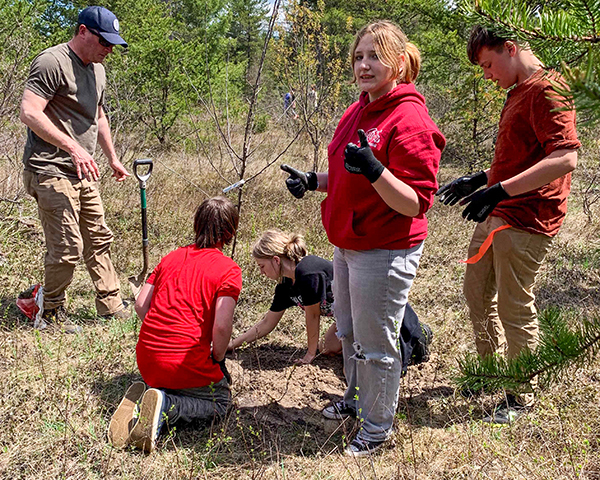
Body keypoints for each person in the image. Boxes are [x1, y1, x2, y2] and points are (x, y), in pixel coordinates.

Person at [281, 21, 445, 456]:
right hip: (348, 245)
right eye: (358, 57)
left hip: (384, 249)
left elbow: (414, 201)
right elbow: (349, 172)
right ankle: (357, 402)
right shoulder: (358, 109)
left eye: (375, 56)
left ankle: (376, 428)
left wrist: (375, 169)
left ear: (397, 62)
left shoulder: (408, 118)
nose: (364, 65)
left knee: (376, 343)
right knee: (350, 332)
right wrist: (315, 180)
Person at [436, 26, 580, 424]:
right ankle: (490, 372)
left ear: (511, 49)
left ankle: (520, 394)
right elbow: (522, 157)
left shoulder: (549, 88)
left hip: (528, 217)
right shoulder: (519, 90)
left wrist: (499, 190)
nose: (486, 75)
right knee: (476, 292)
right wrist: (482, 180)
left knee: (514, 306)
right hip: (500, 211)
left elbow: (565, 158)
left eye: (488, 64)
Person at [19, 6, 130, 332]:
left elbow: (98, 116)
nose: (108, 50)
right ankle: (48, 312)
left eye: (112, 44)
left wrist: (112, 157)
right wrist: (72, 147)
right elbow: (29, 112)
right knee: (67, 248)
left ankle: (111, 305)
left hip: (84, 170)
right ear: (83, 31)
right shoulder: (52, 62)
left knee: (98, 238)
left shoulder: (97, 70)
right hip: (50, 168)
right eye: (104, 42)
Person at [108, 197, 242, 452]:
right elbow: (222, 328)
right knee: (221, 403)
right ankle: (166, 405)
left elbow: (139, 304)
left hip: (148, 359)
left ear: (196, 225)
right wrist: (217, 357)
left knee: (171, 383)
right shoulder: (228, 269)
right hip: (185, 362)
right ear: (230, 232)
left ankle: (150, 398)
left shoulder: (170, 257)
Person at [228, 229, 432, 371]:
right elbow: (266, 323)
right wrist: (233, 344)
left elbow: (313, 315)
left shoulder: (307, 271)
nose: (261, 272)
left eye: (261, 266)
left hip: (370, 309)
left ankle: (417, 333)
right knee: (329, 347)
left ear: (275, 260)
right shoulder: (285, 286)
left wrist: (309, 354)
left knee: (358, 364)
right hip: (351, 315)